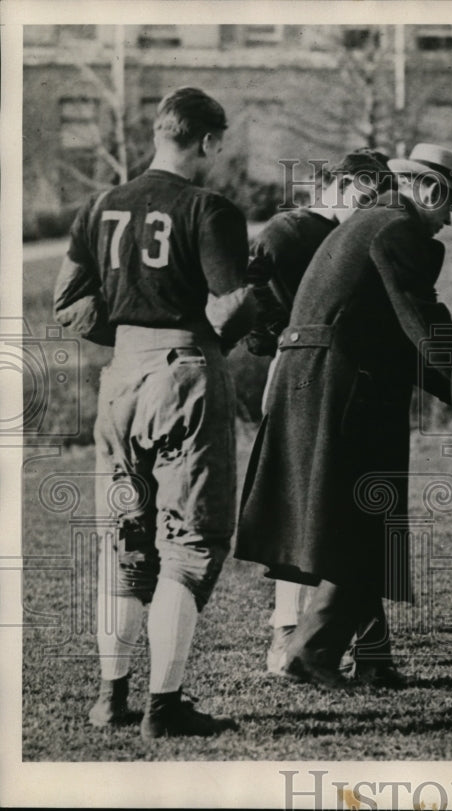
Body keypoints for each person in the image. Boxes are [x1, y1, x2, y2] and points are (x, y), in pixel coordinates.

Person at [235, 143, 452, 688]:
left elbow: (402, 336)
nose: (446, 222)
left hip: (325, 384)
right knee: (365, 526)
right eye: (448, 205)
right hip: (345, 389)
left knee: (361, 521)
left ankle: (371, 660)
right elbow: (424, 323)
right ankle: (311, 652)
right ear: (427, 189)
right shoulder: (399, 228)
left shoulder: (374, 221)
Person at [53, 87, 256, 738]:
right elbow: (230, 306)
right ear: (206, 140)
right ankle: (165, 706)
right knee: (191, 545)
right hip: (184, 375)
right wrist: (208, 329)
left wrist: (130, 336)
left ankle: (110, 698)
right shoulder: (208, 207)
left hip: (120, 382)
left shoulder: (100, 204)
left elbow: (68, 304)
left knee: (125, 543)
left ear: (158, 132)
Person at [240, 149, 394, 677]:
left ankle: (367, 647)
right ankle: (289, 631)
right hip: (304, 379)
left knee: (334, 510)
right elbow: (254, 301)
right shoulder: (291, 232)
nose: (373, 207)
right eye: (367, 195)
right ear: (345, 186)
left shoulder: (350, 235)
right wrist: (276, 341)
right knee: (301, 510)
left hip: (341, 381)